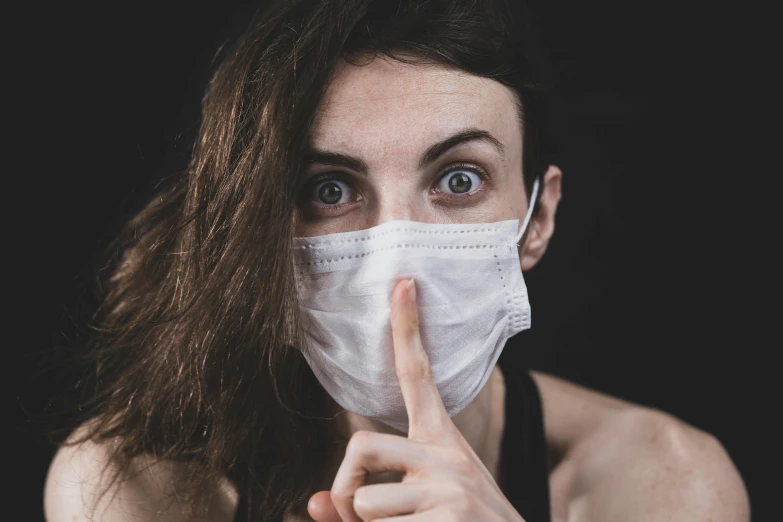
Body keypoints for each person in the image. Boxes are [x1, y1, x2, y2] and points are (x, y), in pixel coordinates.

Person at [43, 0, 750, 521]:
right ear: (258, 229)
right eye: (329, 190)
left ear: (537, 219)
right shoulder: (135, 491)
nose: (397, 262)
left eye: (458, 180)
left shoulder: (659, 483)